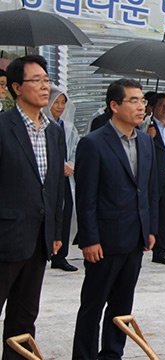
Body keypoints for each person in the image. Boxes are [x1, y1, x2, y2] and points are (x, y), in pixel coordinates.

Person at [72, 79, 158, 359]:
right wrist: (90, 239)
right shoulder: (93, 143)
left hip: (135, 239)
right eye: (133, 100)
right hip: (104, 242)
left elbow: (148, 190)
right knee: (93, 306)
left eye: (142, 101)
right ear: (114, 106)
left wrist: (150, 229)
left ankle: (112, 353)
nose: (141, 107)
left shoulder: (145, 141)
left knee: (122, 306)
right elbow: (86, 198)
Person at [0, 55, 65, 360]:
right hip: (5, 236)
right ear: (16, 87)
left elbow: (54, 186)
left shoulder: (53, 131)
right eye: (36, 80)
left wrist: (54, 229)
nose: (44, 86)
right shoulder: (3, 127)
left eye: (46, 80)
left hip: (38, 240)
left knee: (24, 317)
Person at [42, 85, 79, 272]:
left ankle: (61, 255)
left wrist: (71, 163)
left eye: (63, 102)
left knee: (65, 212)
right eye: (56, 102)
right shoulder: (42, 126)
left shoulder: (69, 128)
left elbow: (75, 151)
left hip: (64, 177)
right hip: (47, 178)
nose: (60, 106)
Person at [141, 93, 165, 266]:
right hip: (152, 176)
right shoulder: (145, 126)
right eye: (161, 105)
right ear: (153, 108)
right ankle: (142, 244)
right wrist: (147, 136)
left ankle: (161, 251)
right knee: (149, 212)